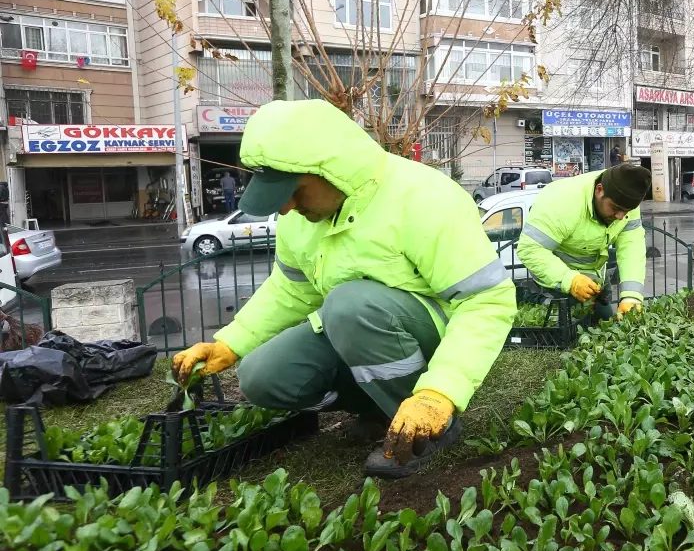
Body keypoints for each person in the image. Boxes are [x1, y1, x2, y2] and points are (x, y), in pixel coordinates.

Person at [170, 100, 515, 477]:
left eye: (295, 191)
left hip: (433, 340)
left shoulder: (424, 197)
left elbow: (485, 302)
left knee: (350, 304)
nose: (284, 207)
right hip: (357, 324)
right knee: (261, 377)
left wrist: (441, 391)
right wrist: (231, 342)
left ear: (333, 171)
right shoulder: (301, 218)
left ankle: (429, 429)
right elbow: (292, 289)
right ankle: (377, 406)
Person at [516, 162, 651, 321]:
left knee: (602, 325)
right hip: (557, 282)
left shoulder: (626, 196)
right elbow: (529, 249)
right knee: (571, 331)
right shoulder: (562, 201)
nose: (620, 216)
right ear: (599, 190)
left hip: (595, 280)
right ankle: (533, 296)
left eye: (626, 211)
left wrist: (631, 296)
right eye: (615, 208)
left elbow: (631, 247)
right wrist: (570, 280)